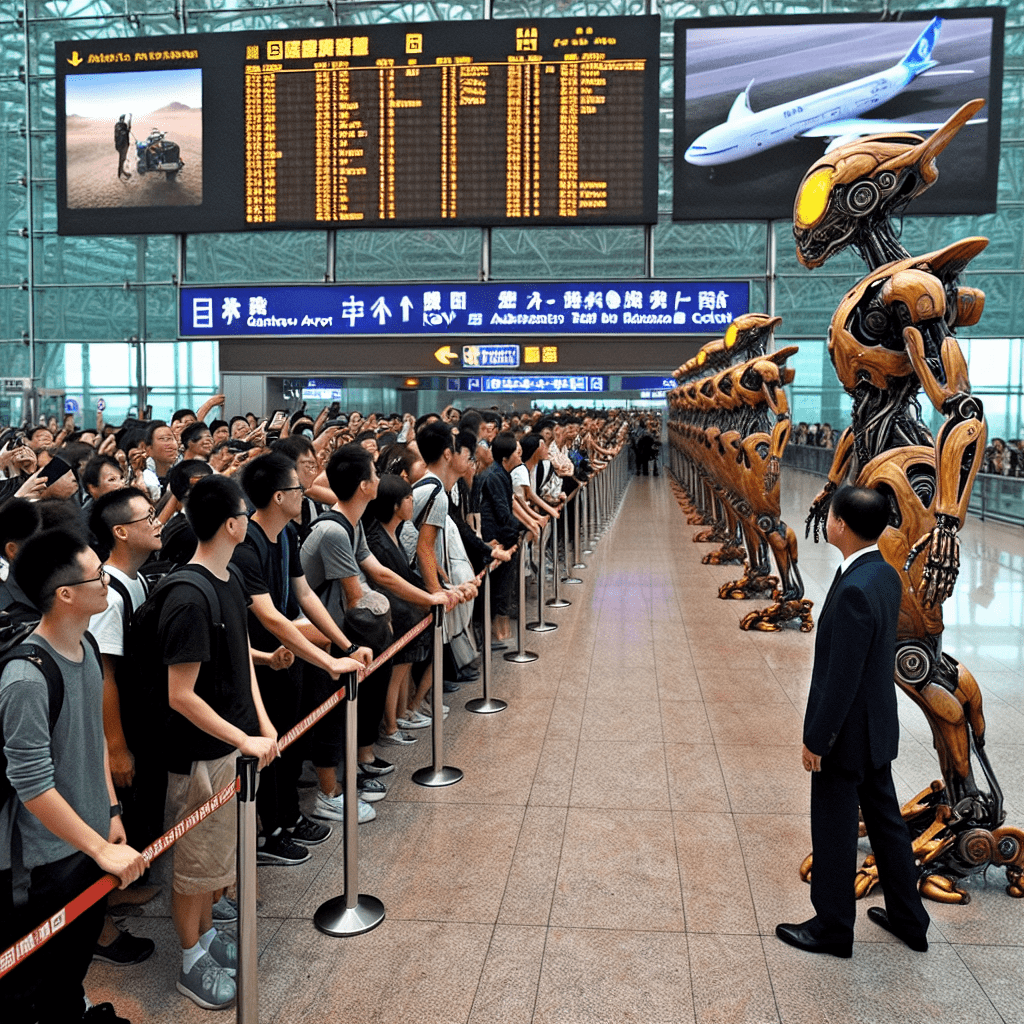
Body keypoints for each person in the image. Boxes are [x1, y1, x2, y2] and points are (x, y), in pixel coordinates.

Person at [776, 484, 930, 959]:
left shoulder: (855, 591)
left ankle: (833, 926)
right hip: (876, 725)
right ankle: (910, 918)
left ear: (839, 524)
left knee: (834, 825)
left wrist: (817, 740)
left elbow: (839, 679)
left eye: (830, 516)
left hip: (846, 734)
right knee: (886, 824)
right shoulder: (883, 573)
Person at [0, 529, 145, 1024]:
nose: (106, 581)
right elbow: (32, 785)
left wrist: (109, 810)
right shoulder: (26, 677)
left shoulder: (83, 642)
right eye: (97, 575)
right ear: (65, 594)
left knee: (73, 961)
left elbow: (94, 738)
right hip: (40, 863)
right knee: (35, 979)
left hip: (86, 838)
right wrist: (100, 847)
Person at [158, 475, 279, 1009]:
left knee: (213, 860)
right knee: (194, 862)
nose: (249, 519)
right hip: (197, 754)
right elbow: (181, 695)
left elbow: (238, 658)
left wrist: (262, 724)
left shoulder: (226, 579)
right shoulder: (188, 594)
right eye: (244, 513)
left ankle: (205, 938)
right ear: (231, 523)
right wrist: (241, 737)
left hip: (228, 742)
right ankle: (189, 958)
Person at [114, 114, 132, 181]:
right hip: (121, 145)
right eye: (123, 118)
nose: (123, 119)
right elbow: (122, 132)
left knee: (123, 159)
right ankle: (120, 174)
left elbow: (127, 131)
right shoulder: (118, 125)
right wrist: (126, 130)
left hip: (124, 144)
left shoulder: (123, 124)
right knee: (121, 160)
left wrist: (130, 121)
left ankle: (122, 172)